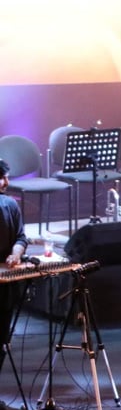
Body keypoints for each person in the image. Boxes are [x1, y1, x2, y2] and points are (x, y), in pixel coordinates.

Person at [1, 159, 30, 374]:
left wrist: (15, 254)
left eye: (6, 177)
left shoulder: (9, 204)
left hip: (5, 283)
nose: (5, 182)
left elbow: (21, 237)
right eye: (1, 178)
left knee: (2, 340)